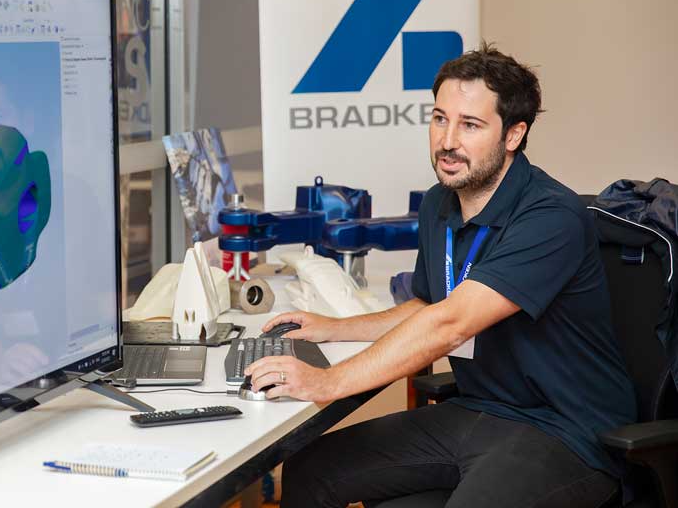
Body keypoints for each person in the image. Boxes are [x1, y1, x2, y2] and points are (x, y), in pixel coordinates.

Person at [245, 44, 637, 507]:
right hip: (479, 411)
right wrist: (336, 327)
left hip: (566, 432)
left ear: (513, 135)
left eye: (470, 125)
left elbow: (450, 324)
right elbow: (429, 305)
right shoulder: (439, 202)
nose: (447, 140)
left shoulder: (552, 217)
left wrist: (327, 383)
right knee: (313, 467)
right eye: (438, 118)